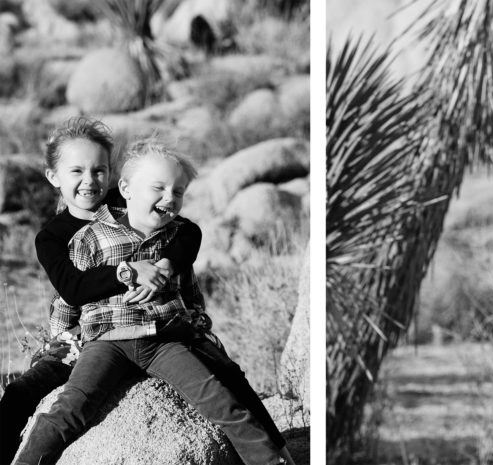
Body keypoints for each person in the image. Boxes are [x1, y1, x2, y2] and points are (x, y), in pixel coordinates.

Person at [14, 137, 292, 465]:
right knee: (69, 411)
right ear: (127, 190)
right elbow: (68, 298)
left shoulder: (176, 238)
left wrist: (197, 321)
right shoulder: (89, 238)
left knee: (220, 400)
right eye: (159, 188)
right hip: (106, 342)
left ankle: (272, 460)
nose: (169, 198)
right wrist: (59, 341)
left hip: (162, 340)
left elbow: (190, 292)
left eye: (177, 192)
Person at [0, 117, 201, 464]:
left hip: (151, 326)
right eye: (76, 171)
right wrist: (128, 270)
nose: (89, 181)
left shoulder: (127, 202)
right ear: (53, 177)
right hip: (81, 337)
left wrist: (166, 265)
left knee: (227, 381)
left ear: (113, 175)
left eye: (99, 170)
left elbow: (189, 231)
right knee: (20, 394)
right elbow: (73, 288)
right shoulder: (52, 237)